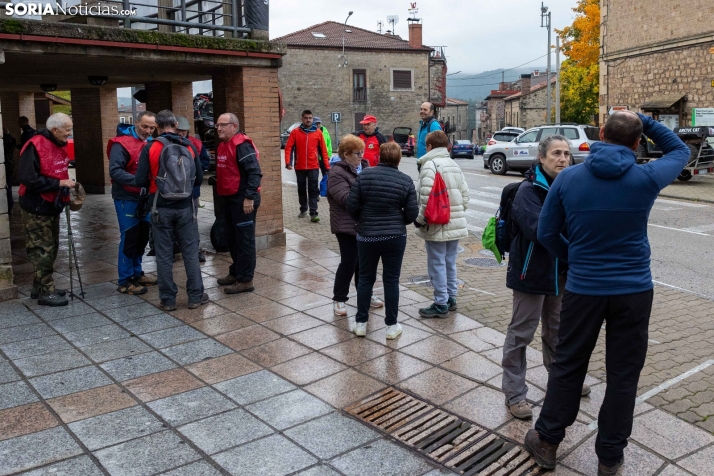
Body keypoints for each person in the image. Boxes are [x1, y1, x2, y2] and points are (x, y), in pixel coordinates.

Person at [525, 112, 689, 475]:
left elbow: (548, 233)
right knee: (623, 374)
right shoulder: (646, 177)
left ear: (600, 134)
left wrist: (576, 259)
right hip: (633, 290)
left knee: (568, 364)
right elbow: (679, 150)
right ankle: (610, 458)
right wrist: (646, 120)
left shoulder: (568, 178)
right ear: (636, 143)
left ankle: (548, 441)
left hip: (584, 289)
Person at [500, 135, 591, 421]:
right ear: (541, 158)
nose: (563, 159)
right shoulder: (529, 190)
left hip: (561, 274)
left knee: (558, 331)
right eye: (556, 154)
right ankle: (515, 394)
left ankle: (562, 382)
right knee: (521, 334)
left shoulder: (570, 186)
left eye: (566, 153)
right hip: (531, 274)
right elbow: (540, 231)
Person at [134, 110, 207, 311]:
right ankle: (195, 297)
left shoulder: (151, 147)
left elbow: (140, 180)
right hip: (185, 207)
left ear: (157, 126)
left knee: (164, 255)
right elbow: (199, 179)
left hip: (160, 207)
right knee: (190, 253)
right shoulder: (189, 146)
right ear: (175, 124)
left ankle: (168, 300)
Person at [346, 142, 418, 339]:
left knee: (366, 278)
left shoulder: (365, 176)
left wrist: (363, 219)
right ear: (398, 159)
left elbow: (351, 205)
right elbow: (412, 214)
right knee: (391, 280)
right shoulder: (405, 180)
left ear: (379, 157)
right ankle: (391, 326)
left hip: (367, 236)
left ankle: (361, 322)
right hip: (395, 237)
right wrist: (397, 220)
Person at [16, 113, 75, 306]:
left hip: (52, 204)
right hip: (36, 205)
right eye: (67, 129)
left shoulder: (58, 143)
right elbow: (28, 178)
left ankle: (39, 286)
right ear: (54, 129)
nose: (69, 133)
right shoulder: (35, 145)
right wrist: (58, 183)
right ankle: (46, 292)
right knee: (42, 249)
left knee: (51, 248)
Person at [414, 130, 470, 318]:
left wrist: (420, 220)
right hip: (454, 222)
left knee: (436, 262)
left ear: (429, 147)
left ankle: (440, 302)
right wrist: (457, 213)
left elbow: (425, 198)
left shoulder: (430, 165)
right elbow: (465, 196)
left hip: (437, 222)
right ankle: (451, 298)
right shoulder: (454, 164)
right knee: (450, 262)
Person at [327, 135, 384, 316]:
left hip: (363, 223)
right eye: (357, 153)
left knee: (364, 263)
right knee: (349, 262)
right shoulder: (336, 173)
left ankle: (365, 294)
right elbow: (346, 199)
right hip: (345, 224)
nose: (361, 156)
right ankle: (339, 299)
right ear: (345, 154)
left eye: (362, 152)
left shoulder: (365, 167)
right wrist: (370, 194)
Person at [108, 111, 158, 295]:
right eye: (144, 126)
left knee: (142, 236)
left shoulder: (151, 143)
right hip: (126, 197)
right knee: (129, 237)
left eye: (152, 128)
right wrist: (138, 180)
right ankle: (124, 280)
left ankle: (137, 272)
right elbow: (115, 171)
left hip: (144, 197)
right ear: (136, 123)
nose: (148, 130)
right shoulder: (120, 144)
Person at [214, 113, 262, 294]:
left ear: (234, 126)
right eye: (217, 125)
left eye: (223, 125)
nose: (218, 128)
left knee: (244, 241)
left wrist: (249, 197)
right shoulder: (223, 145)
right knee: (232, 238)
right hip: (229, 199)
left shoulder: (242, 145)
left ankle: (245, 280)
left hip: (244, 201)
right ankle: (236, 272)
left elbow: (255, 172)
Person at [176, 115, 211, 263]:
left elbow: (204, 162)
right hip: (173, 190)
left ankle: (194, 249)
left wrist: (193, 174)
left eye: (183, 131)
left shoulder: (195, 144)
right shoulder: (166, 143)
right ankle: (174, 248)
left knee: (192, 220)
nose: (181, 134)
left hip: (191, 190)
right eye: (178, 131)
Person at [285, 110, 330, 222]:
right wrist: (288, 162)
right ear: (302, 119)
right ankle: (303, 209)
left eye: (310, 118)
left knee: (313, 189)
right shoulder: (295, 132)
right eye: (306, 118)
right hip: (299, 166)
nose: (308, 120)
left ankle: (313, 212)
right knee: (301, 189)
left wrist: (326, 166)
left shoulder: (318, 133)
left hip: (313, 166)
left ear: (312, 119)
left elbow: (323, 151)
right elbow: (289, 148)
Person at [2, 127, 17, 214]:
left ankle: (8, 206)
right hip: (10, 164)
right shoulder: (12, 140)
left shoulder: (4, 141)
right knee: (9, 186)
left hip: (7, 164)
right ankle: (10, 206)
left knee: (7, 186)